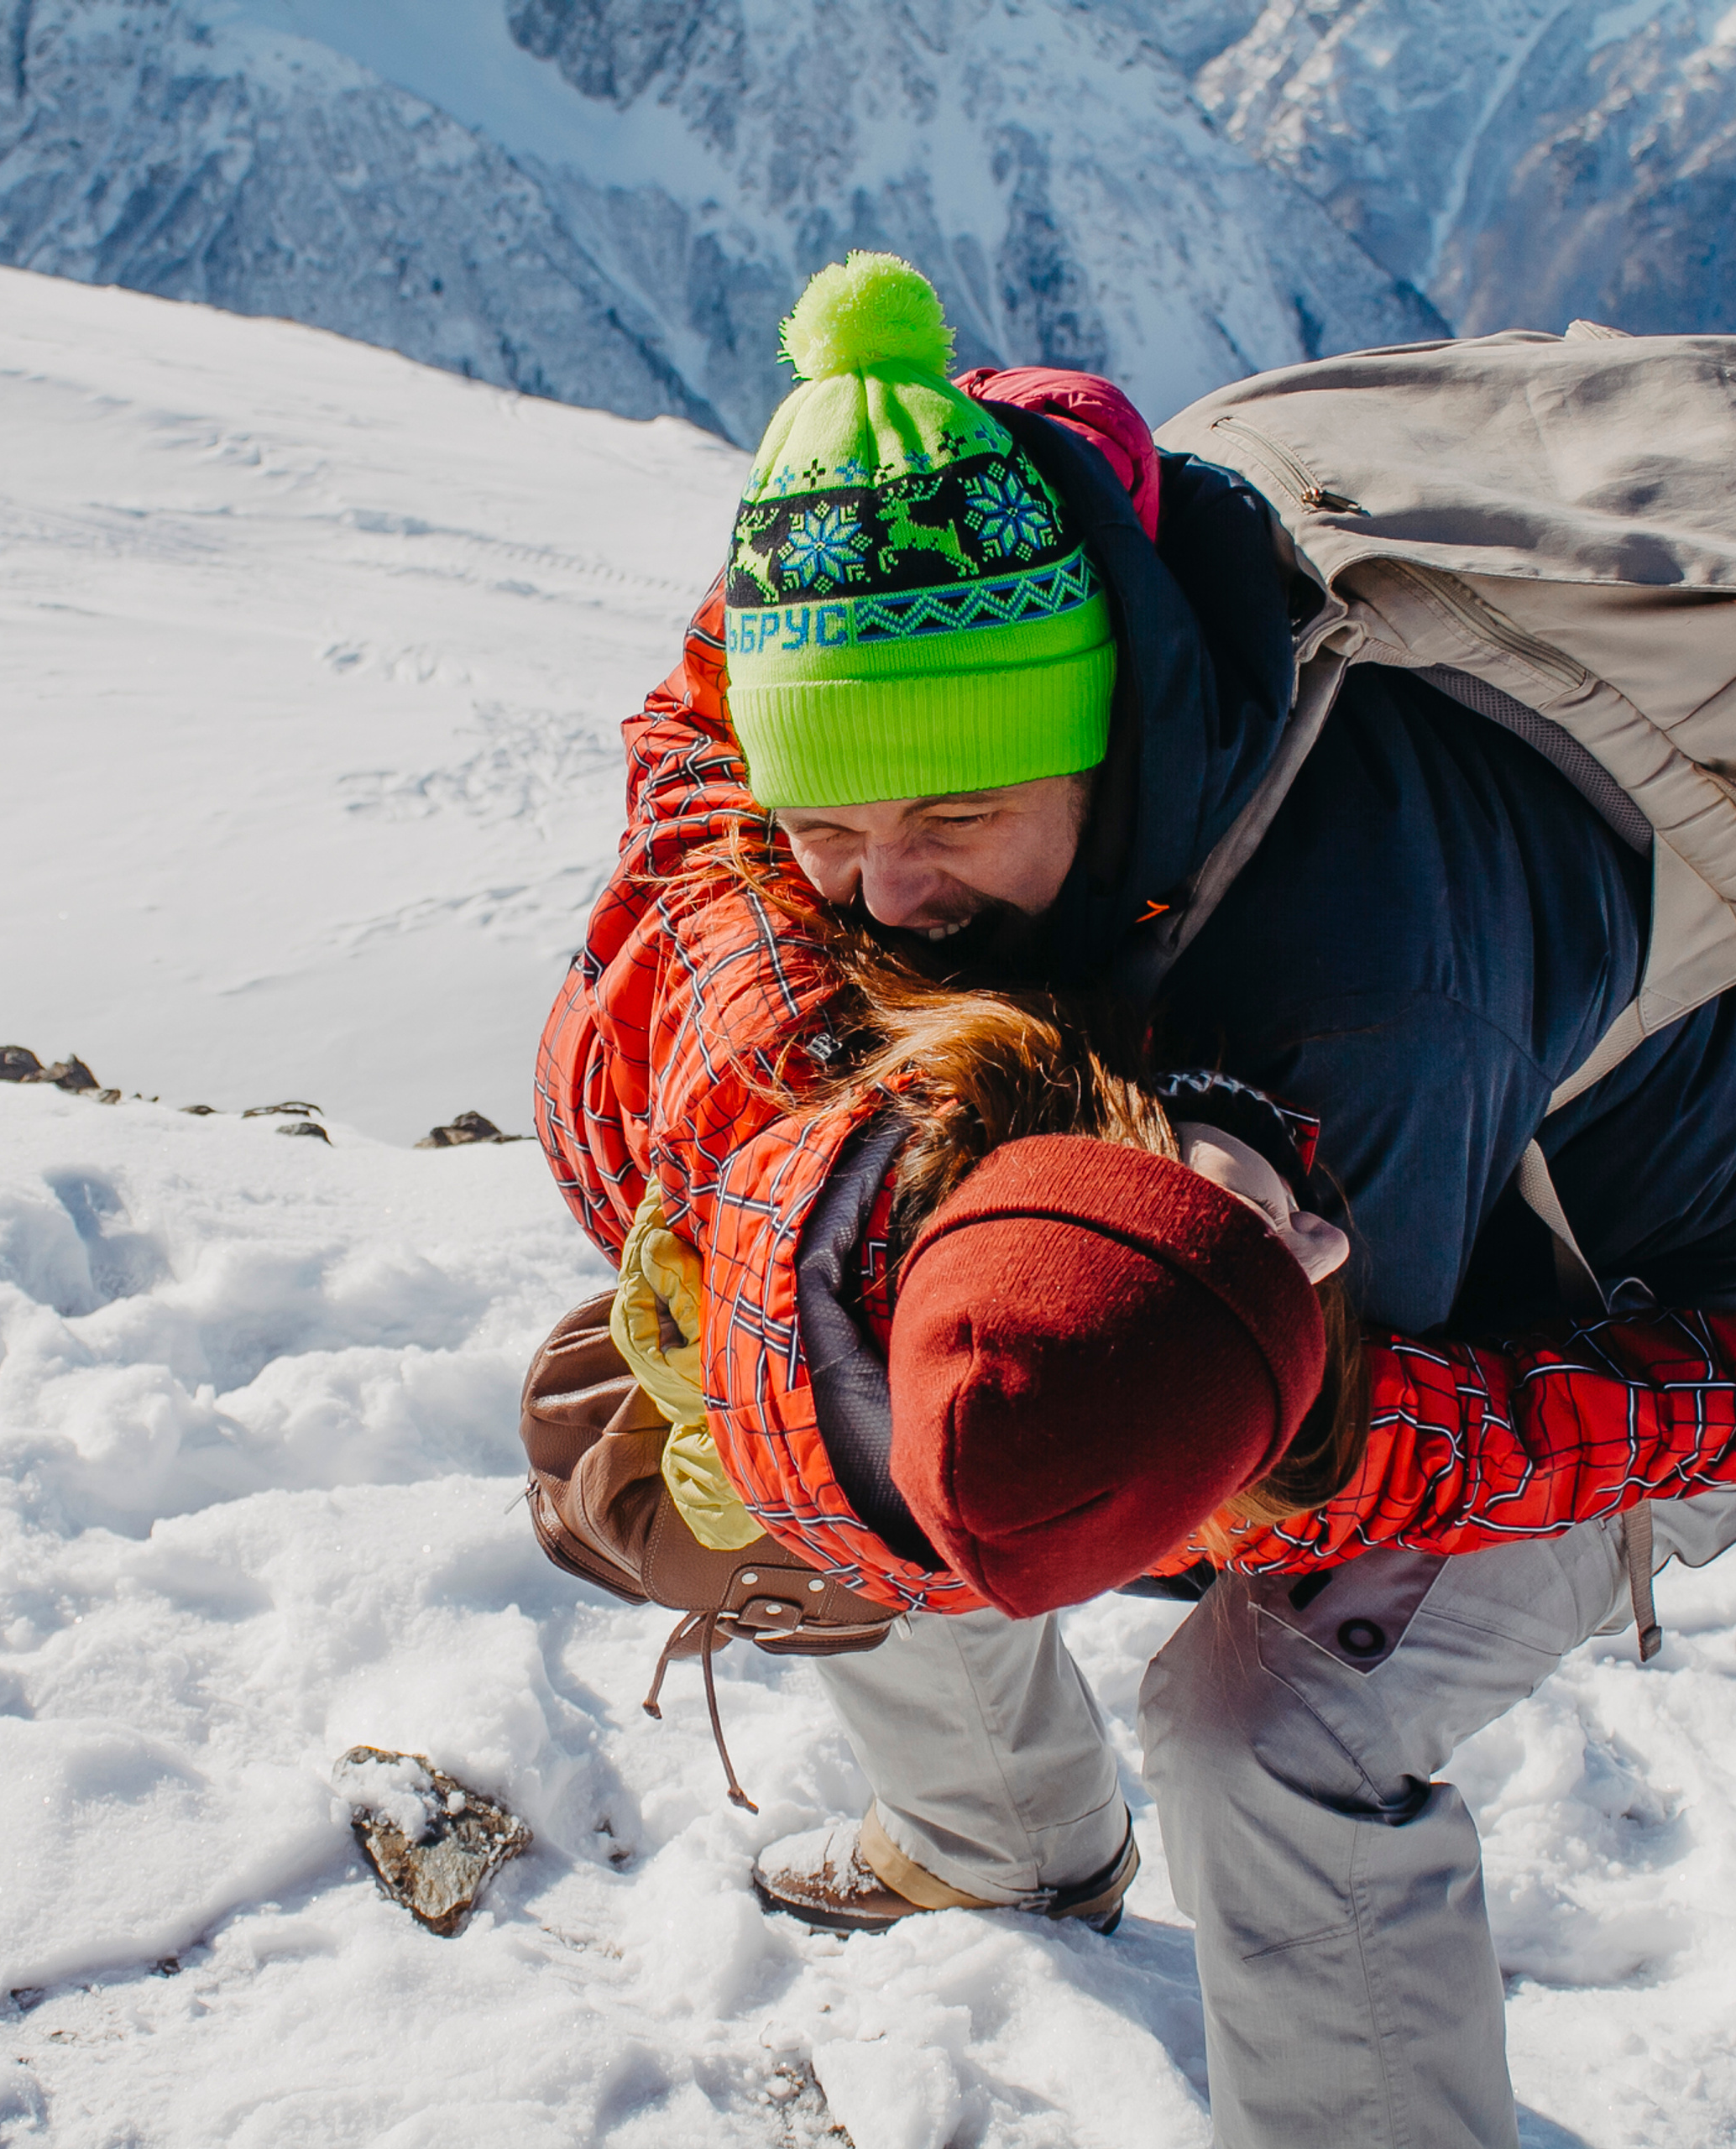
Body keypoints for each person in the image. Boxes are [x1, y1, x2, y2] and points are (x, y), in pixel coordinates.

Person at [534, 251, 1736, 2146]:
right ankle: (996, 1842)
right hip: (1301, 1201)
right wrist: (776, 1271)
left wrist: (831, 1412)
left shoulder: (1362, 1003)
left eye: (946, 825)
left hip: (1614, 1301)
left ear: (1106, 738)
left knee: (1263, 1719)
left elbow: (1208, 1473)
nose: (882, 899)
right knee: (844, 1316)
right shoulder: (945, 530)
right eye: (828, 829)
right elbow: (700, 744)